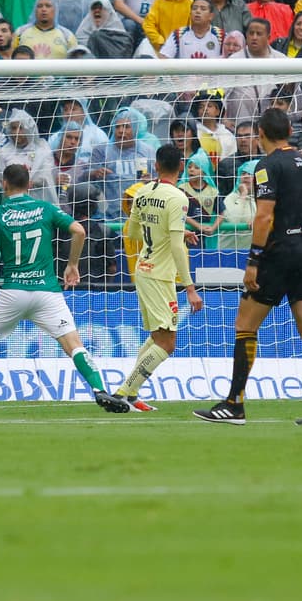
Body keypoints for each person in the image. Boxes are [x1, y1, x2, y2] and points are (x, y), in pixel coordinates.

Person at [193, 108, 302, 426]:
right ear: (288, 129)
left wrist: (254, 261)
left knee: (245, 326)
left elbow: (263, 216)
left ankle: (234, 404)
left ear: (260, 134)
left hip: (277, 253)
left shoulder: (266, 165)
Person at [0, 163, 128, 412]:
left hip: (13, 291)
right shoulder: (46, 208)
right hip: (47, 292)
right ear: (29, 185)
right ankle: (100, 390)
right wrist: (72, 265)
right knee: (74, 344)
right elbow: (79, 230)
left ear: (4, 184)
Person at [117, 144, 204, 411]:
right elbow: (177, 248)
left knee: (158, 336)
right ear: (181, 166)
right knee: (167, 343)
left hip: (142, 269)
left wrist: (167, 232)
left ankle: (130, 395)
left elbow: (132, 232)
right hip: (160, 274)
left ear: (156, 166)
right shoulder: (179, 197)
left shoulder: (142, 193)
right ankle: (123, 392)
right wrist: (190, 287)